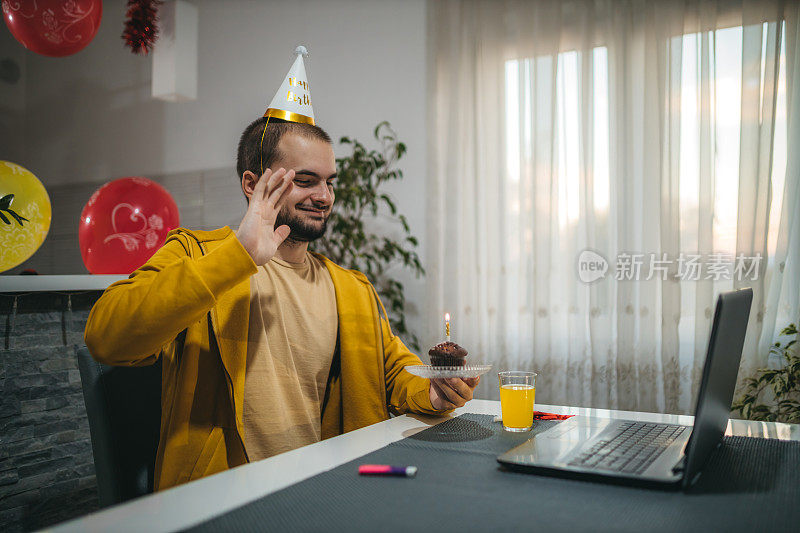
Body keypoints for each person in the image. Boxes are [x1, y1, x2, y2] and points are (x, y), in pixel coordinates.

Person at [85, 50, 478, 491]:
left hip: (325, 491)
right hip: (223, 501)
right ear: (253, 185)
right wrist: (237, 256)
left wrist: (432, 392)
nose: (325, 196)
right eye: (306, 181)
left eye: (330, 181)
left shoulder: (351, 288)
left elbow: (393, 371)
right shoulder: (197, 255)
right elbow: (106, 336)